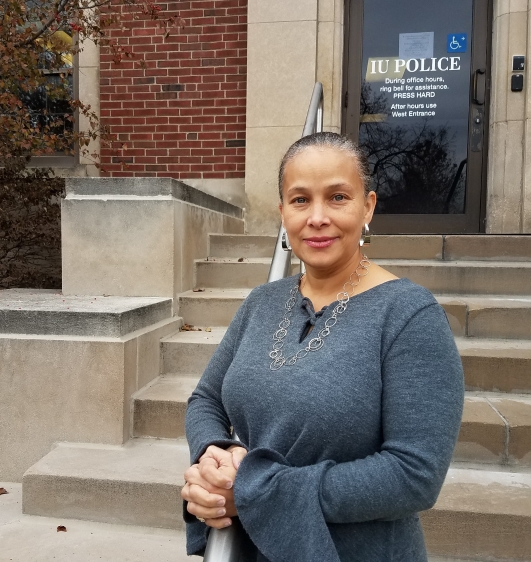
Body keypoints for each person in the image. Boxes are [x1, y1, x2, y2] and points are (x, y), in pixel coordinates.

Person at [181, 132, 464, 561]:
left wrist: (257, 491)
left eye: (337, 197)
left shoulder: (409, 315)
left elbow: (414, 475)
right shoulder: (262, 302)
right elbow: (206, 399)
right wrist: (214, 459)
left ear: (367, 206)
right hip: (251, 547)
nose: (316, 217)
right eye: (299, 200)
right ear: (282, 212)